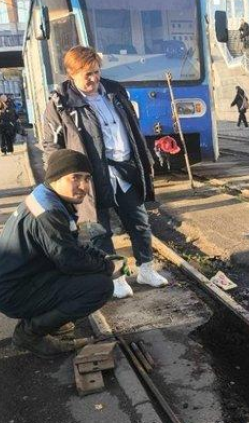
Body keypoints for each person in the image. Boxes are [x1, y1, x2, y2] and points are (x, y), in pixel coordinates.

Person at [41, 45, 168, 299]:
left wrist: (145, 158)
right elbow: (50, 145)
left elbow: (133, 128)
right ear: (71, 74)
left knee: (139, 222)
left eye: (96, 72)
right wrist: (61, 179)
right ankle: (116, 278)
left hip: (124, 171)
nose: (93, 78)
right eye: (87, 74)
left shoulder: (115, 91)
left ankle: (145, 269)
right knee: (99, 231)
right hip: (90, 177)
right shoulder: (60, 103)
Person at [0, 150, 120, 358]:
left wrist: (101, 258)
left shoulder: (47, 196)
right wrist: (106, 266)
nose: (84, 186)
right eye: (75, 178)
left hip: (20, 281)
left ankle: (51, 321)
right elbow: (70, 261)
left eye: (87, 179)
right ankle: (29, 334)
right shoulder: (49, 211)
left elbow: (70, 244)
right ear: (56, 177)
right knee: (100, 287)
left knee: (92, 271)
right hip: (14, 293)